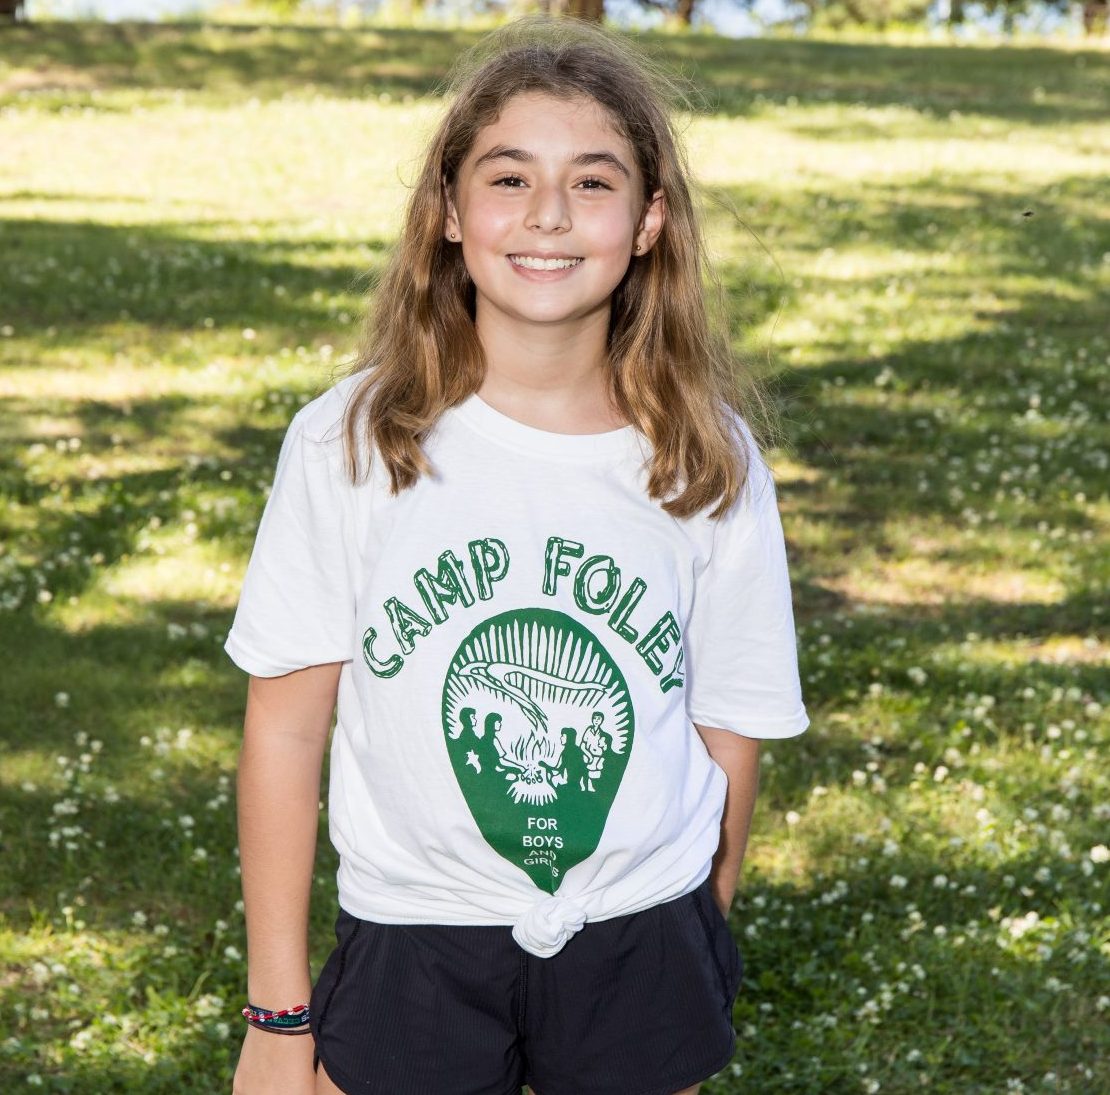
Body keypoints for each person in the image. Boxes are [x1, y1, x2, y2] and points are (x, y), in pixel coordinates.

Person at [225, 14, 809, 1095]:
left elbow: (731, 724)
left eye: (593, 182)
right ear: (449, 212)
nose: (548, 215)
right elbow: (287, 724)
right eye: (508, 178)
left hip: (642, 939)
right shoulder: (352, 441)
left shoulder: (706, 458)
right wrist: (278, 1011)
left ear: (650, 222)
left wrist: (696, 935)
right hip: (416, 936)